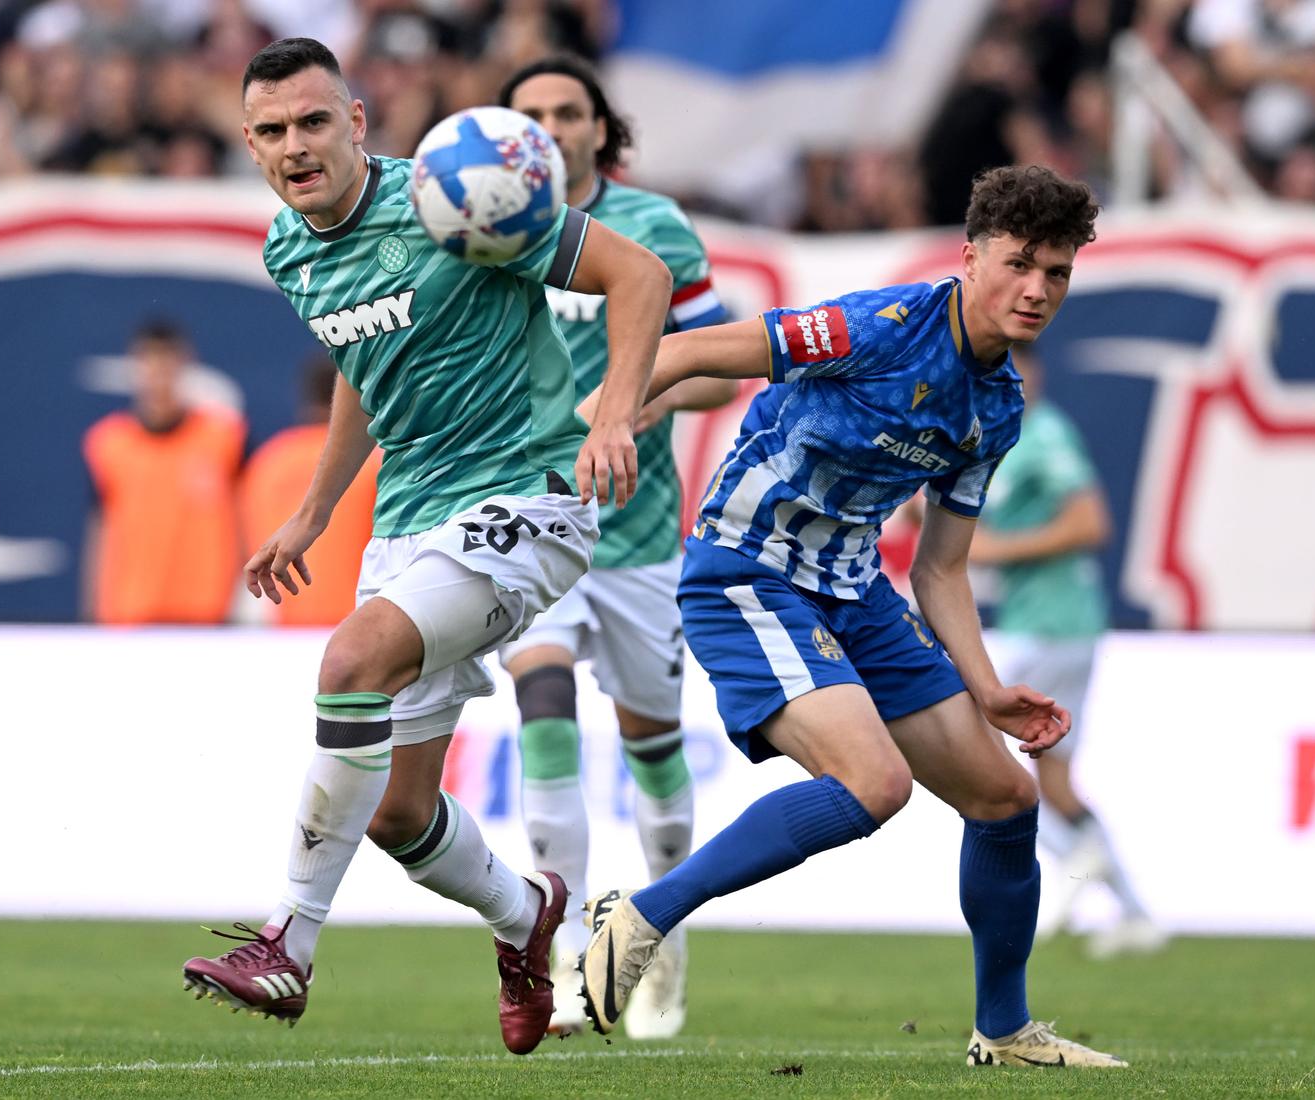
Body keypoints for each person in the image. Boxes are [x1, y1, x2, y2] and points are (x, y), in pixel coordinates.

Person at [179, 37, 673, 1058]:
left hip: (527, 496)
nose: (294, 146)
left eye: (314, 121)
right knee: (401, 814)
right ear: (250, 145)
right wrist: (317, 510)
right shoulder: (288, 249)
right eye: (271, 131)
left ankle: (289, 939)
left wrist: (616, 411)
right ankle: (526, 914)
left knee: (348, 659)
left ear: (357, 121)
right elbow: (369, 362)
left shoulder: (462, 197)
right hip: (408, 519)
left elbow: (638, 273)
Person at [578, 165, 1130, 1068]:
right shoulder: (876, 327)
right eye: (1021, 263)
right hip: (745, 572)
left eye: (1058, 273)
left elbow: (943, 568)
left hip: (855, 586)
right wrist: (605, 422)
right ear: (971, 257)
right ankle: (641, 916)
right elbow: (684, 351)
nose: (1037, 289)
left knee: (1006, 798)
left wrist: (985, 690)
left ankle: (1004, 1030)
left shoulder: (999, 406)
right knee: (876, 786)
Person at [489, 55, 736, 1041]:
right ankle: (566, 939)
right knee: (540, 701)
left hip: (636, 535)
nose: (549, 128)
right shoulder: (480, 227)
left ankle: (660, 939)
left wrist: (628, 408)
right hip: (526, 526)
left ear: (600, 128)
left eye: (566, 111)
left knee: (655, 758)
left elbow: (716, 370)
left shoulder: (655, 228)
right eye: (530, 115)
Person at [970, 350, 1164, 960]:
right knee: (1056, 780)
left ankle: (1065, 859)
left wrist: (999, 550)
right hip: (1057, 623)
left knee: (956, 731)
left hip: (1054, 621)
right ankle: (1136, 915)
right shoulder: (993, 437)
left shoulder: (1045, 432)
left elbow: (1089, 523)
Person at [82, 317, 244, 625]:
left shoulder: (224, 437)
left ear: (185, 364)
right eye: (148, 361)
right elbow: (100, 530)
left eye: (166, 361)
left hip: (206, 617)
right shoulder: (108, 444)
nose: (157, 374)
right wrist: (93, 613)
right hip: (131, 616)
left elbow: (245, 517)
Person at [240, 356, 380, 627]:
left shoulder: (269, 460)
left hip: (286, 623)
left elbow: (247, 538)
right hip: (359, 622)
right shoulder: (372, 462)